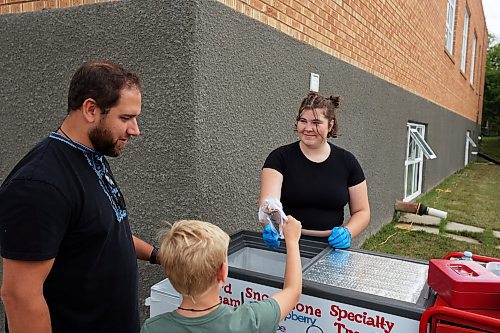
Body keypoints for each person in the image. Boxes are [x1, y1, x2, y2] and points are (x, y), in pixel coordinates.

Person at [0, 61, 160, 333]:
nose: (135, 130)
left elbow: (102, 231)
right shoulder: (39, 185)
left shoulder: (91, 156)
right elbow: (19, 296)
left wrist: (159, 255)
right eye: (125, 118)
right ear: (90, 109)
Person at [141, 216, 302, 333]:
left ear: (169, 273)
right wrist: (292, 240)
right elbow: (292, 291)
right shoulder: (249, 321)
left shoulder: (153, 328)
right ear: (222, 272)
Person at [259, 91, 370, 249]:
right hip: (288, 245)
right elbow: (269, 203)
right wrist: (270, 225)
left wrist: (348, 232)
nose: (308, 128)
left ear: (330, 125)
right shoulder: (279, 158)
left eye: (316, 122)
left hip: (332, 248)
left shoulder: (348, 162)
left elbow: (362, 211)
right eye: (303, 121)